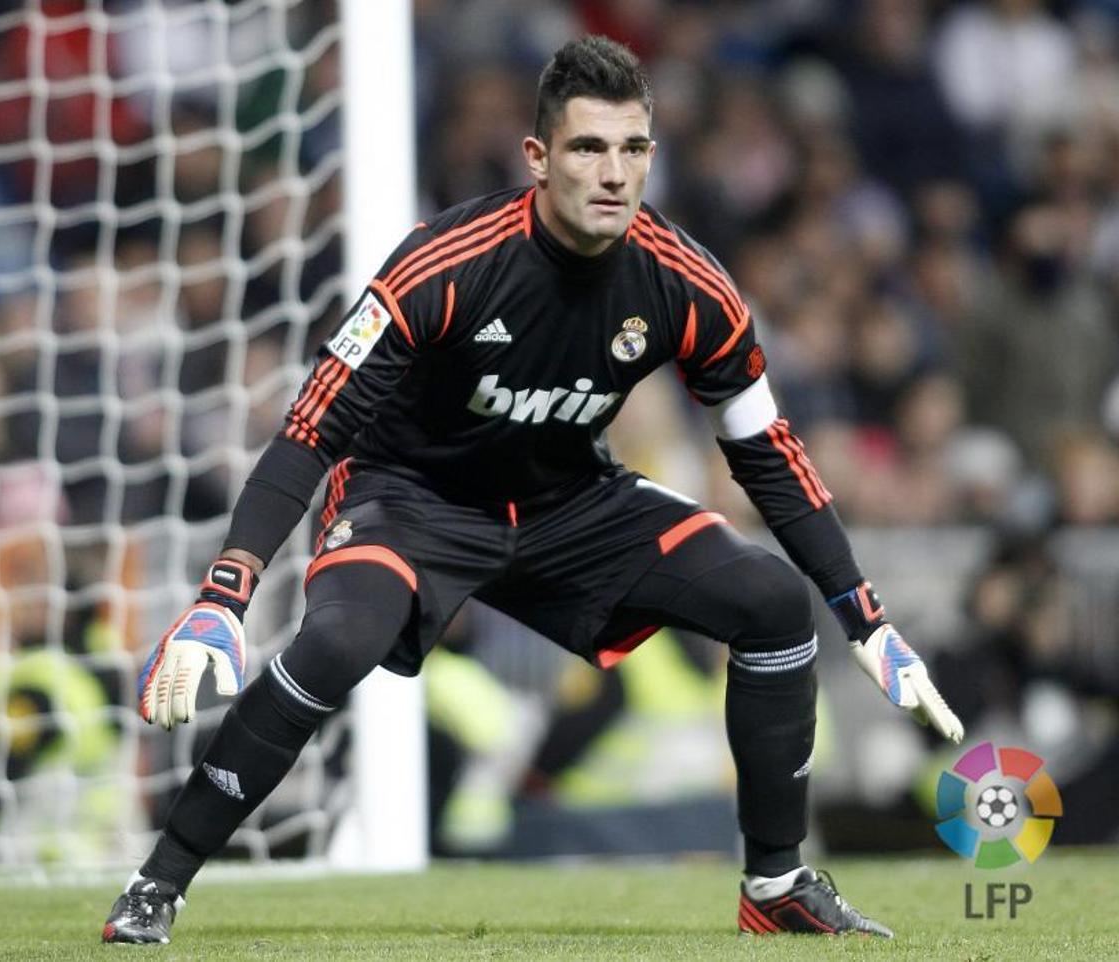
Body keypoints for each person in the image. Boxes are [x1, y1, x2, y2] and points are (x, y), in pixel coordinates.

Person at [102, 36, 963, 944]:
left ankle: (775, 884)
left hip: (568, 505)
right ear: (539, 158)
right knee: (338, 641)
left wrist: (865, 617)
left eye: (632, 149)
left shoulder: (686, 282)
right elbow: (311, 431)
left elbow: (767, 450)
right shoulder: (443, 264)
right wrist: (224, 595)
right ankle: (159, 881)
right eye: (588, 147)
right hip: (411, 499)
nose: (613, 173)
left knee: (776, 605)